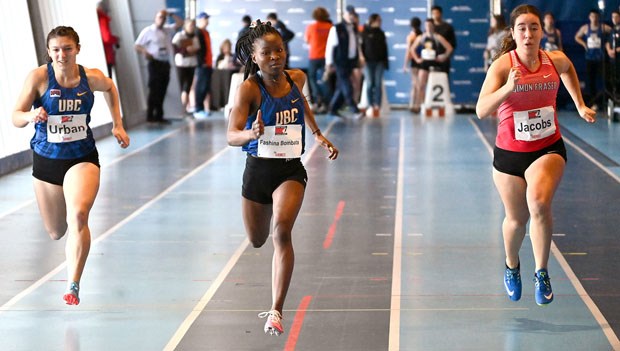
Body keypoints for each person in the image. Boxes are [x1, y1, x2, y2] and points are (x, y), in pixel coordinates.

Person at [475, 5, 596, 306]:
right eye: (522, 28)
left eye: (534, 27)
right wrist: (508, 89)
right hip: (509, 154)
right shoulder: (503, 66)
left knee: (539, 204)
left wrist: (579, 105)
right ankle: (512, 264)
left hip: (547, 147)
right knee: (516, 220)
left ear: (542, 31)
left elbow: (568, 68)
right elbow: (481, 110)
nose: (528, 34)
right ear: (513, 33)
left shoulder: (553, 60)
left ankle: (541, 271)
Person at [227, 20, 338, 336]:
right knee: (257, 239)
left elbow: (301, 103)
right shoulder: (249, 89)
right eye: (268, 52)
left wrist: (317, 133)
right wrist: (252, 131)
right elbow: (231, 135)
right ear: (255, 56)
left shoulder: (297, 78)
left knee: (281, 232)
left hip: (290, 169)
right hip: (258, 170)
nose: (276, 56)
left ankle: (276, 310)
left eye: (280, 50)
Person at [11, 26, 130, 305]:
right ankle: (70, 266)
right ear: (49, 52)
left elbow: (111, 87)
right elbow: (15, 116)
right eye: (56, 50)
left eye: (67, 48)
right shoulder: (39, 78)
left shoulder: (91, 77)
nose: (61, 54)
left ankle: (73, 284)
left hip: (82, 157)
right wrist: (30, 115)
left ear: (77, 48)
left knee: (78, 215)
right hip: (47, 160)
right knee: (56, 231)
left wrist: (118, 124)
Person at [134, 9, 182, 124]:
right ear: (155, 18)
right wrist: (145, 52)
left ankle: (159, 115)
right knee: (154, 89)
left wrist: (170, 14)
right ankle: (150, 115)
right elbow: (137, 45)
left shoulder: (167, 30)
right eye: (160, 17)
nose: (162, 19)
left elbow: (180, 24)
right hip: (155, 63)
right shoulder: (148, 31)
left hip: (165, 63)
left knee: (162, 89)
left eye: (164, 18)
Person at [324, 5, 364, 118]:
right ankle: (354, 109)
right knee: (347, 84)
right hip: (340, 61)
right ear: (344, 15)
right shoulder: (336, 28)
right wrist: (328, 63)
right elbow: (330, 46)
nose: (351, 17)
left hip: (350, 61)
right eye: (350, 14)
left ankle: (333, 108)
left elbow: (356, 45)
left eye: (353, 15)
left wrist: (358, 58)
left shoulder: (354, 29)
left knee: (341, 86)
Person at [410, 19, 453, 113]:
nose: (428, 27)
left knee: (436, 80)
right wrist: (417, 59)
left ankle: (434, 105)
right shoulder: (422, 37)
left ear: (433, 26)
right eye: (426, 26)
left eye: (430, 25)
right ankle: (421, 105)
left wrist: (443, 57)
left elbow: (449, 48)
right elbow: (412, 49)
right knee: (421, 84)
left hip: (435, 62)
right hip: (425, 62)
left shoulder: (437, 37)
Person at [574, 9, 611, 110]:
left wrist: (607, 43)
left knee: (606, 80)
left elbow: (612, 33)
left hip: (601, 59)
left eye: (596, 16)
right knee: (591, 82)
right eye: (592, 16)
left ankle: (607, 101)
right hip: (590, 58)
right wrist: (584, 44)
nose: (594, 19)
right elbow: (576, 37)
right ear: (589, 17)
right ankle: (593, 103)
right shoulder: (586, 28)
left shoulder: (603, 28)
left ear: (598, 17)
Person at [304, 6, 332, 114]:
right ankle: (326, 102)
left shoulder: (312, 27)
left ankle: (317, 97)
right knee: (326, 79)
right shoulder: (330, 27)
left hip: (314, 56)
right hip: (326, 57)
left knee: (312, 77)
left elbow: (307, 40)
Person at [360, 13, 389, 117]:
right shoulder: (365, 32)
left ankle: (377, 105)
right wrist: (361, 59)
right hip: (368, 62)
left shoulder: (381, 33)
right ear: (373, 21)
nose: (380, 22)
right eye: (378, 20)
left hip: (379, 62)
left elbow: (385, 49)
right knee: (369, 83)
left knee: (377, 84)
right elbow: (361, 47)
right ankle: (370, 104)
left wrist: (386, 62)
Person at [172, 18, 200, 115]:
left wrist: (193, 50)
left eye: (193, 26)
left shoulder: (195, 37)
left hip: (191, 64)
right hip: (181, 64)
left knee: (187, 87)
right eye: (190, 25)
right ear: (185, 26)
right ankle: (180, 108)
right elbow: (173, 47)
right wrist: (184, 50)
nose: (192, 28)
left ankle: (184, 108)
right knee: (181, 86)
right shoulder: (179, 36)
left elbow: (197, 48)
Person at [193, 12, 213, 119]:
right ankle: (198, 108)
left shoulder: (206, 32)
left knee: (205, 87)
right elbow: (198, 49)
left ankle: (202, 108)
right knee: (200, 86)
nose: (207, 21)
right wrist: (202, 62)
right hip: (203, 64)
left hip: (208, 63)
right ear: (200, 20)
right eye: (205, 19)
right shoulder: (197, 32)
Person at [96, 0, 119, 78]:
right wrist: (116, 39)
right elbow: (107, 38)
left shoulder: (99, 19)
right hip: (107, 55)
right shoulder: (103, 19)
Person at [430, 5, 456, 74]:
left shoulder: (448, 27)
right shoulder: (430, 28)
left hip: (444, 58)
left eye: (437, 13)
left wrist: (445, 56)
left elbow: (453, 45)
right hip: (431, 58)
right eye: (433, 13)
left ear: (440, 13)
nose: (435, 15)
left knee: (444, 79)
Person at [404, 17, 422, 112]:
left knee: (416, 84)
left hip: (415, 62)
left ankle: (416, 105)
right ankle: (416, 104)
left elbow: (408, 51)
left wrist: (405, 65)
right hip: (422, 61)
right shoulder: (422, 35)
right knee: (417, 84)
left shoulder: (411, 36)